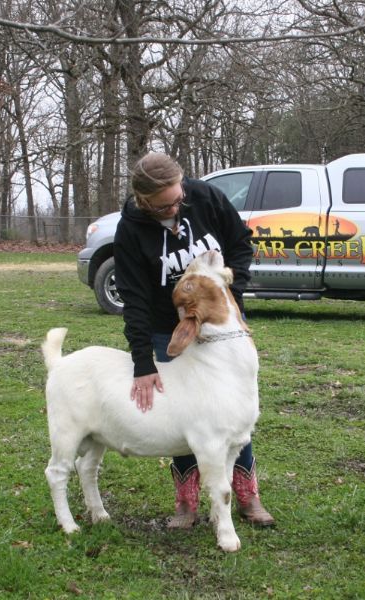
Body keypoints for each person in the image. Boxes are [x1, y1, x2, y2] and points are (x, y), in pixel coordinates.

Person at [113, 152, 275, 529]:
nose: (176, 205)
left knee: (232, 408)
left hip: (222, 323)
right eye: (166, 204)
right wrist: (142, 362)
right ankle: (187, 501)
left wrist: (234, 291)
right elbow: (133, 298)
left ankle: (247, 494)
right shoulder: (131, 229)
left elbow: (239, 242)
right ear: (145, 201)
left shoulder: (203, 197)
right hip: (167, 328)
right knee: (183, 411)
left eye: (178, 196)